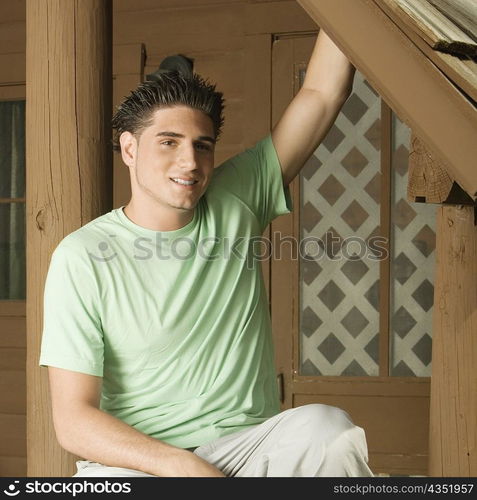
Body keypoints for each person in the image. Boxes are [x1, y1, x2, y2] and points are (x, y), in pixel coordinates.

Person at [39, 30, 373, 478]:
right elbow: (74, 421)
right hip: (145, 460)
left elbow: (323, 91)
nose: (190, 162)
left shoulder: (237, 196)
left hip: (249, 446)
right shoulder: (81, 257)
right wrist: (182, 466)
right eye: (169, 142)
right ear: (129, 148)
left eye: (202, 145)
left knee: (327, 430)